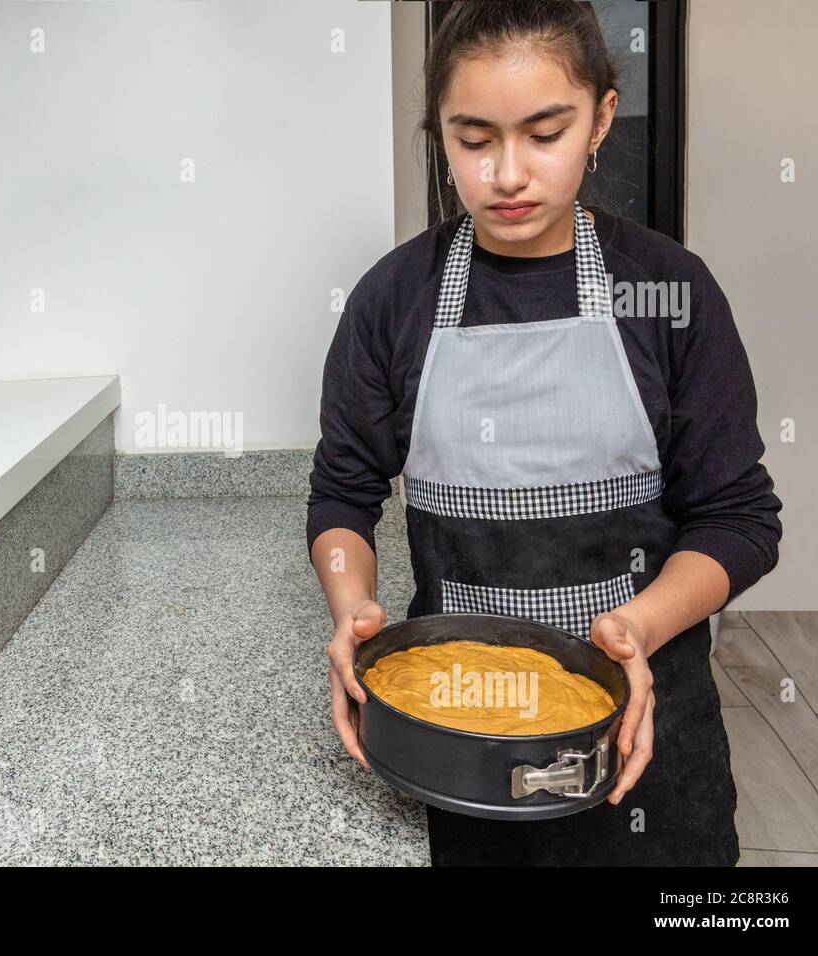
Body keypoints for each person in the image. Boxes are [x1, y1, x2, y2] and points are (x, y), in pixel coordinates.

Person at [307, 0, 783, 866]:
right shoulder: (392, 301)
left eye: (545, 132)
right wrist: (350, 610)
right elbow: (344, 496)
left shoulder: (666, 291)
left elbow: (739, 519)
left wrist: (636, 627)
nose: (508, 173)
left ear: (601, 117)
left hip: (644, 724)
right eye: (474, 139)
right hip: (452, 733)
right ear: (440, 135)